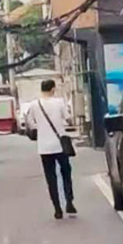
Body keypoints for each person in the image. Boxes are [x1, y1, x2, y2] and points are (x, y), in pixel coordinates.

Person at [27, 78, 76, 219]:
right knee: (66, 173)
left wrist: (40, 129)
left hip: (44, 147)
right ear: (53, 89)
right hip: (60, 145)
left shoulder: (34, 105)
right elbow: (68, 118)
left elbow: (30, 122)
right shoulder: (59, 102)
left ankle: (57, 209)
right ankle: (69, 201)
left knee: (51, 178)